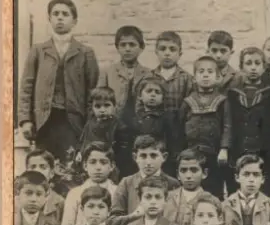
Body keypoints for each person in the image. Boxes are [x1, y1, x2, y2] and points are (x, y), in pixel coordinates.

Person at [18, 0, 100, 163]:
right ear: (49, 19)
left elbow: (93, 92)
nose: (60, 18)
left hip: (73, 123)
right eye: (55, 14)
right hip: (44, 122)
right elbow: (26, 88)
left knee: (70, 167)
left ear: (74, 21)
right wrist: (26, 120)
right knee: (43, 165)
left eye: (65, 14)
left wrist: (90, 125)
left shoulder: (85, 53)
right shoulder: (38, 51)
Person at [176, 56, 231, 198]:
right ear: (194, 78)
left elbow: (227, 126)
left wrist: (224, 149)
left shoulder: (222, 101)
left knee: (214, 188)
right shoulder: (188, 102)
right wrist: (181, 151)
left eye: (210, 72)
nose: (205, 75)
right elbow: (179, 128)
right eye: (201, 72)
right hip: (191, 153)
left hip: (214, 153)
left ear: (217, 77)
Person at [227, 47, 270, 196]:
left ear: (264, 67)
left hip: (263, 149)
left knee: (263, 187)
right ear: (241, 67)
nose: (253, 67)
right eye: (248, 63)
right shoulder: (233, 93)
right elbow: (230, 122)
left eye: (257, 63)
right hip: (239, 147)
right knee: (237, 187)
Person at [109, 135, 180, 225]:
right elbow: (113, 221)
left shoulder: (173, 184)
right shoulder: (127, 183)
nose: (148, 162)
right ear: (135, 157)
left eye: (153, 155)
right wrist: (134, 216)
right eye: (143, 156)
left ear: (164, 157)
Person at [151, 31, 195, 175]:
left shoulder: (187, 79)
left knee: (175, 164)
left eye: (172, 49)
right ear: (156, 52)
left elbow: (190, 107)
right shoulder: (149, 77)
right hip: (155, 130)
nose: (167, 53)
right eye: (163, 49)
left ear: (180, 53)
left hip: (178, 131)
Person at [61, 142, 117, 225]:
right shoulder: (75, 194)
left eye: (103, 162)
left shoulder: (118, 192)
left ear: (112, 166)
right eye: (93, 162)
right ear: (85, 166)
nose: (98, 167)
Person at [97, 25, 151, 117]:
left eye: (132, 45)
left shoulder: (148, 74)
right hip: (114, 120)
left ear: (141, 47)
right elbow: (98, 99)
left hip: (139, 121)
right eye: (123, 45)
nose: (127, 49)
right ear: (117, 47)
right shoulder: (108, 72)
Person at [164, 148, 217, 225]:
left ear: (204, 173)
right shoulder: (167, 198)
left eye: (194, 170)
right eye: (183, 170)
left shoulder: (212, 201)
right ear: (178, 174)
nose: (188, 175)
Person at [76, 87, 121, 161]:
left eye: (107, 105)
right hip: (88, 158)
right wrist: (79, 152)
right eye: (97, 106)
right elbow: (82, 140)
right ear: (92, 107)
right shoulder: (90, 123)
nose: (102, 110)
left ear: (114, 106)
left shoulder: (116, 125)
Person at [25, 149, 65, 221]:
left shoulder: (60, 203)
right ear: (26, 172)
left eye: (43, 167)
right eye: (33, 167)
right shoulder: (18, 201)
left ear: (51, 173)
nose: (37, 171)